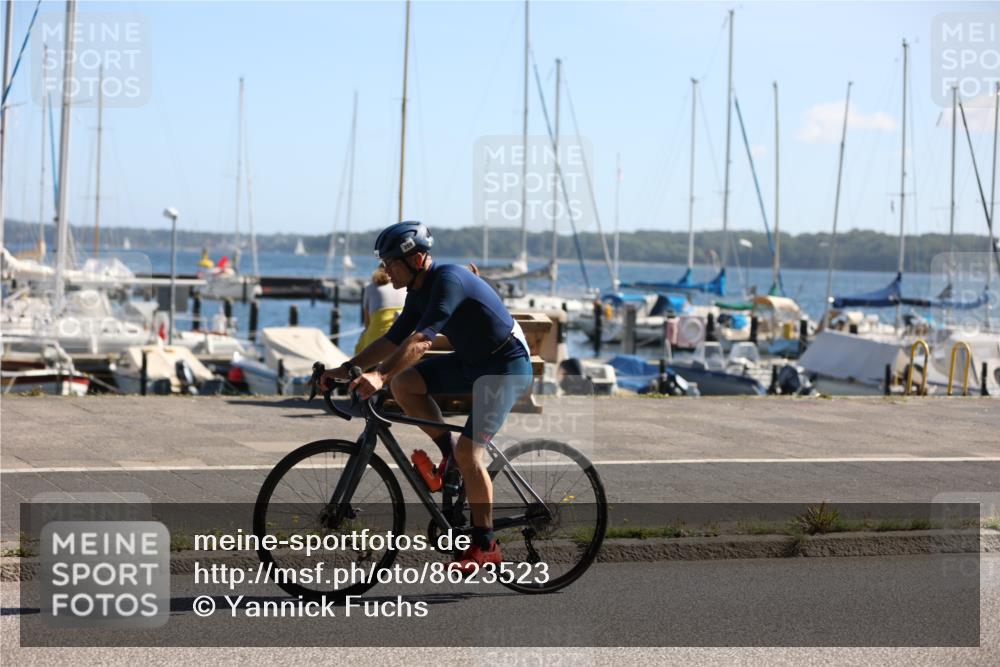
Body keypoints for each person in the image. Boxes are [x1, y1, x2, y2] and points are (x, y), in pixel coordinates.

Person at [321, 221, 533, 572]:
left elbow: (421, 341)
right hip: (471, 363)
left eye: (391, 263)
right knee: (406, 384)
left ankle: (486, 545)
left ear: (417, 258)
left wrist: (380, 375)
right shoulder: (418, 293)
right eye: (384, 264)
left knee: (471, 453)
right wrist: (345, 369)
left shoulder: (447, 280)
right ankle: (449, 460)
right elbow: (392, 340)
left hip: (504, 368)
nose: (386, 271)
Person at [354, 266, 406, 354]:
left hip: (375, 341)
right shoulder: (404, 288)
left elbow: (367, 324)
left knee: (359, 346)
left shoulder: (370, 288)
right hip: (400, 340)